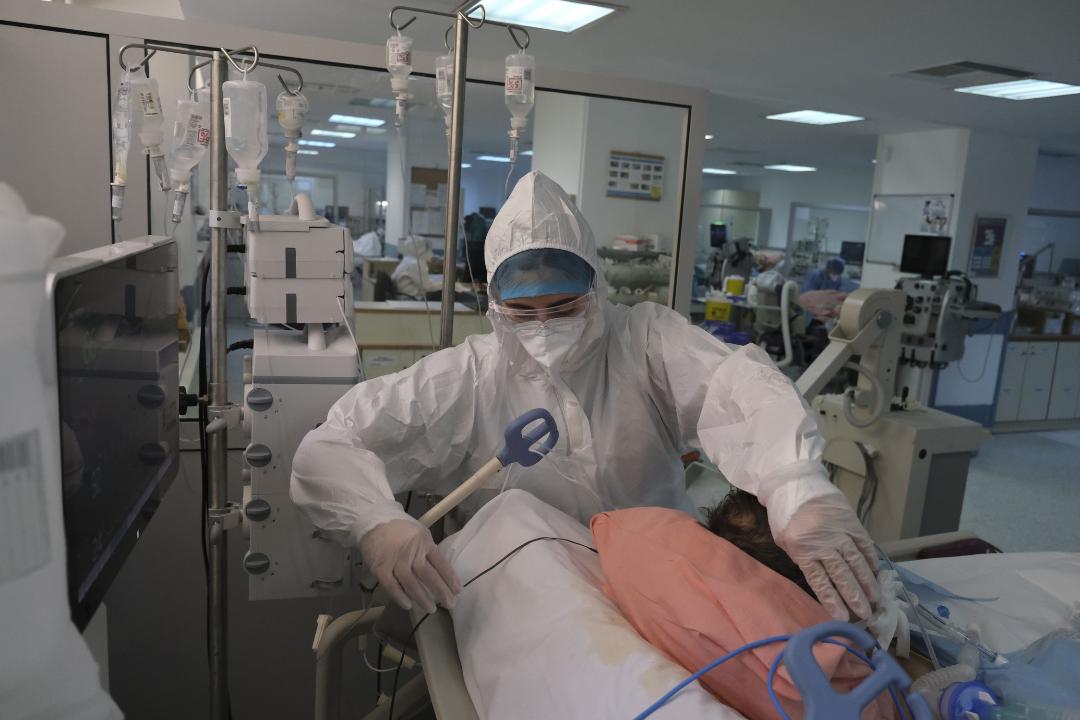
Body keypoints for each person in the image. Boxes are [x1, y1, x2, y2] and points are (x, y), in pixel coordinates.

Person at [291, 171, 880, 620]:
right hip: (532, 598)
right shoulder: (468, 377)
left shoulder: (645, 342)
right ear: (494, 305)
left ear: (596, 287)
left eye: (564, 306)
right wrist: (376, 522)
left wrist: (796, 483)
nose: (545, 326)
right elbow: (332, 443)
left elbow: (741, 388)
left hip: (665, 581)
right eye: (523, 312)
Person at [391, 234, 442, 300]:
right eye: (426, 248)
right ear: (420, 249)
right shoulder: (415, 264)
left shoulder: (408, 260)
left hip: (403, 296)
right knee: (446, 293)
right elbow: (428, 287)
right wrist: (447, 284)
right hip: (410, 299)